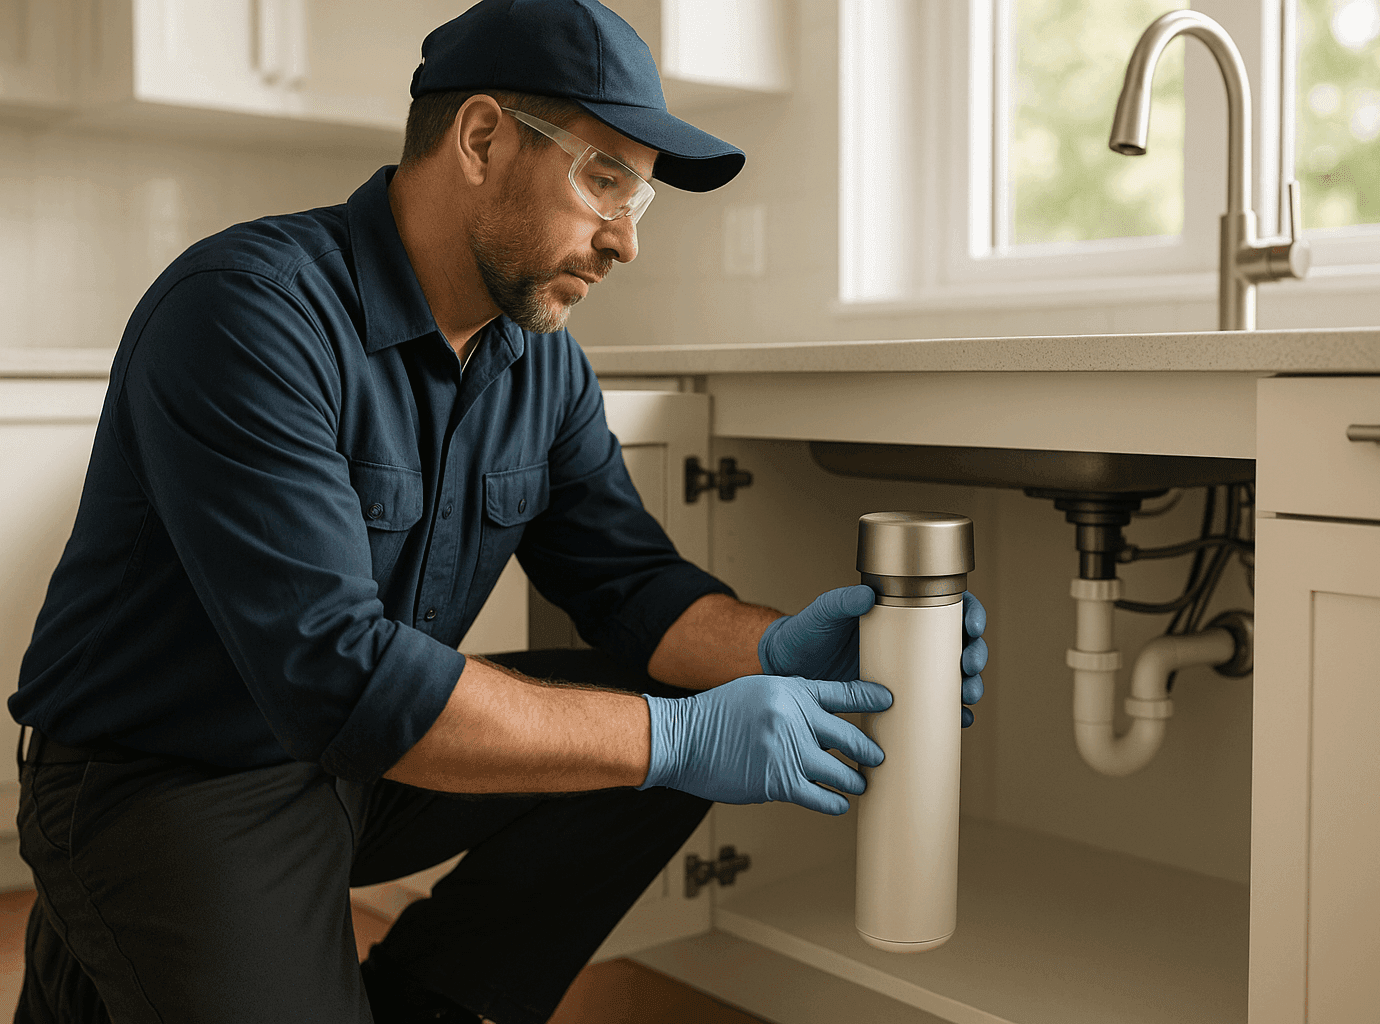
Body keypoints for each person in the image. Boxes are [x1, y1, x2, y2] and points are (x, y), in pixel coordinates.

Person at [7, 2, 988, 1022]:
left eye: (639, 198)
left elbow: (632, 588)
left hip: (364, 763)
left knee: (655, 710)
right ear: (480, 139)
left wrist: (780, 649)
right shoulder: (249, 312)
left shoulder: (541, 364)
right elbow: (337, 671)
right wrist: (679, 733)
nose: (625, 240)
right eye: (605, 177)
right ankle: (117, 915)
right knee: (663, 732)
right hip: (175, 779)